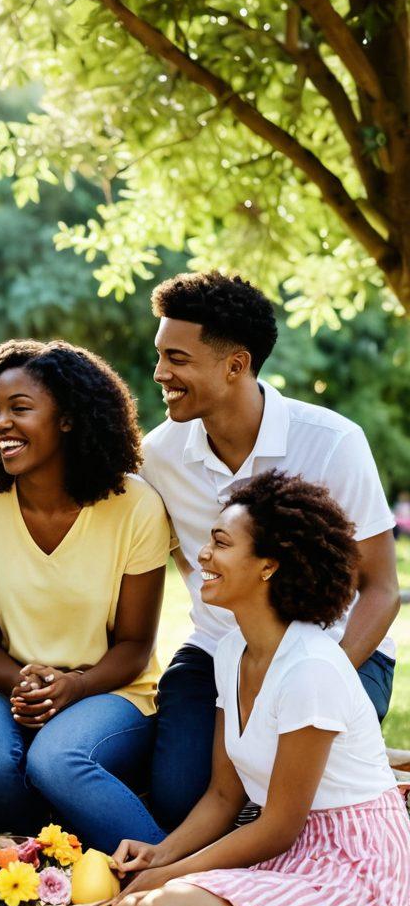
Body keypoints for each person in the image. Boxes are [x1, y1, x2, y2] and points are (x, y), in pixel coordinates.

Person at [108, 471, 410, 906]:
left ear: (269, 566)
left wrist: (170, 879)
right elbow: (225, 798)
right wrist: (159, 858)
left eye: (222, 543)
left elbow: (277, 826)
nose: (204, 555)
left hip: (356, 870)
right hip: (301, 857)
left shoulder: (311, 667)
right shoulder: (231, 654)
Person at [142, 271, 400, 831]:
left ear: (235, 364)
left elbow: (381, 589)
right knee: (178, 794)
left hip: (332, 651)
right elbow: (179, 553)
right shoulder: (157, 456)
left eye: (177, 359)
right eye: (160, 355)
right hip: (218, 652)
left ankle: (378, 770)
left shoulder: (333, 441)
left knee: (297, 798)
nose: (160, 373)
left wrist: (311, 677)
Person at [0, 340, 170, 846]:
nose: (0, 423)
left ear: (68, 418)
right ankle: (51, 870)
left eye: (19, 409)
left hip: (112, 690)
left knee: (56, 759)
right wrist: (25, 681)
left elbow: (134, 645)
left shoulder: (135, 506)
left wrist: (73, 687)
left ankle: (170, 870)